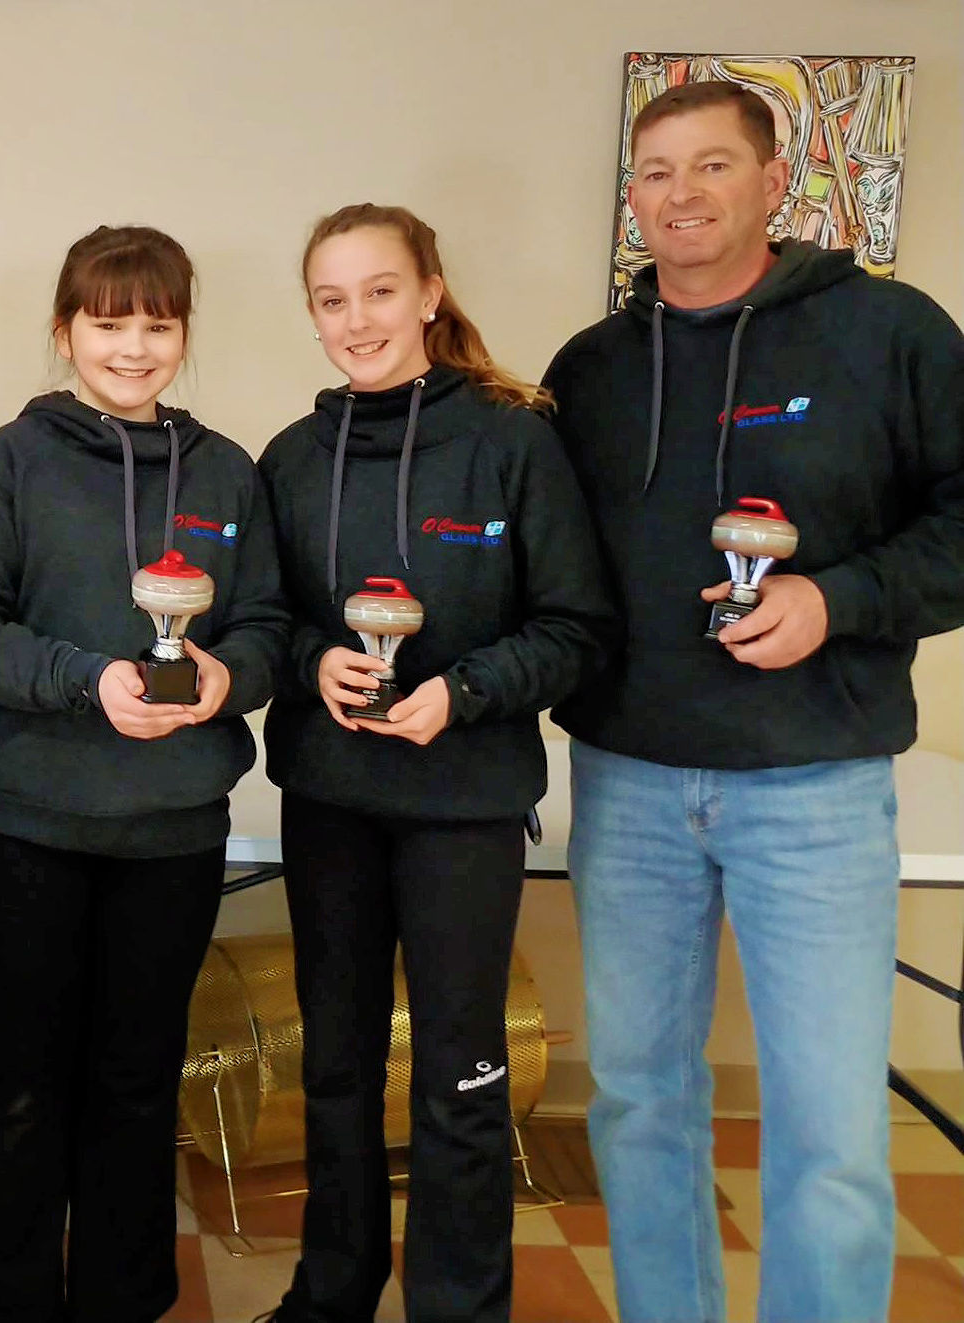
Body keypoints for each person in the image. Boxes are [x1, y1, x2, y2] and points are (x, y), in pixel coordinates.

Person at [543, 80, 964, 1323]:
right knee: (639, 1103)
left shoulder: (890, 333)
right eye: (657, 171)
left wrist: (836, 600)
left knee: (830, 1132)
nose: (682, 193)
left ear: (776, 181)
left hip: (816, 786)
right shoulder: (593, 369)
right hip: (629, 784)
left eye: (713, 164)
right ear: (633, 196)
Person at [0, 224, 289, 1323]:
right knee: (11, 1088)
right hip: (22, 831)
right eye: (108, 322)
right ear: (64, 330)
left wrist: (226, 677)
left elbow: (268, 626)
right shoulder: (9, 462)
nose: (134, 347)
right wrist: (86, 680)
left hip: (171, 836)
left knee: (136, 1087)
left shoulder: (225, 471)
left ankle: (121, 1303)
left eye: (158, 324)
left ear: (184, 333)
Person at [256, 204, 614, 1323]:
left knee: (461, 1072)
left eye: (378, 291)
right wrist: (313, 662)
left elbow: (575, 627)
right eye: (331, 299)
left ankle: (459, 1306)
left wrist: (460, 694)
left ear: (428, 293)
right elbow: (266, 622)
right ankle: (331, 1294)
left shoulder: (513, 441)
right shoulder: (291, 458)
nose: (356, 319)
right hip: (330, 800)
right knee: (336, 1065)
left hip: (463, 807)